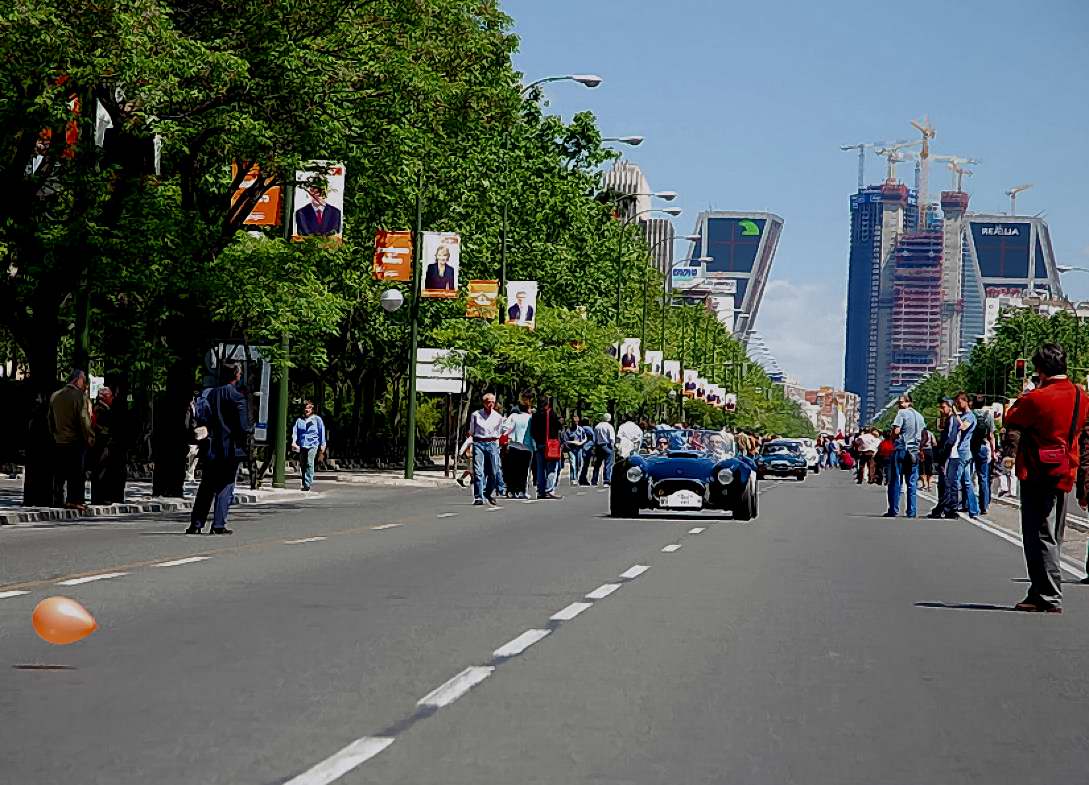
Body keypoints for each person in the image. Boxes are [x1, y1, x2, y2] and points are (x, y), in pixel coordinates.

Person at [1003, 344, 1089, 612]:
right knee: (1055, 533)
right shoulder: (1080, 396)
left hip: (1038, 469)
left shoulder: (1036, 398)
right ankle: (1039, 589)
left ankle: (1048, 594)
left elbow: (1012, 421)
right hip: (1066, 467)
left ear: (1039, 370)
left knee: (1038, 533)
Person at [187, 362, 251, 535]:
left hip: (211, 446)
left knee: (206, 485)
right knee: (226, 485)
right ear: (236, 375)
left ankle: (196, 523)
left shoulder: (210, 394)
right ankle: (218, 524)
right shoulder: (237, 397)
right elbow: (243, 426)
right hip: (230, 448)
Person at [48, 369, 94, 511]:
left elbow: (50, 420)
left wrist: (55, 435)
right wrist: (90, 436)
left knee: (59, 473)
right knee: (76, 473)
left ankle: (57, 499)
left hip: (59, 440)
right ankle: (74, 500)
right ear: (78, 380)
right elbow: (83, 419)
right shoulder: (79, 396)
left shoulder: (55, 396)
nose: (85, 384)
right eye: (84, 380)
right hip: (75, 441)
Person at [885, 392, 924, 518]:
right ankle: (911, 511)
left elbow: (896, 430)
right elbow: (923, 433)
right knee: (912, 482)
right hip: (914, 451)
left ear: (909, 402)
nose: (899, 405)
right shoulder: (920, 416)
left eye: (901, 402)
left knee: (896, 480)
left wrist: (893, 438)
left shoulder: (902, 413)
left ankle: (894, 509)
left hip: (902, 449)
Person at [945, 392, 979, 519]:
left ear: (966, 401)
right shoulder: (963, 415)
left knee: (956, 479)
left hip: (963, 451)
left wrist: (955, 414)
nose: (958, 405)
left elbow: (963, 427)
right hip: (962, 450)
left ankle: (954, 506)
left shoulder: (970, 416)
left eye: (959, 402)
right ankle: (973, 509)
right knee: (967, 481)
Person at [90, 386, 125, 504]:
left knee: (103, 470)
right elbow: (98, 426)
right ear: (104, 397)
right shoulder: (100, 409)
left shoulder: (104, 408)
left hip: (104, 444)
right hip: (101, 444)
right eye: (110, 396)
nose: (112, 398)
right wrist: (107, 434)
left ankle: (103, 496)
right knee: (100, 470)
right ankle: (99, 497)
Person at [469, 392, 503, 505]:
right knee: (478, 471)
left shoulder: (498, 417)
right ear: (484, 403)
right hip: (479, 443)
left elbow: (499, 433)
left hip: (492, 443)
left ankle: (488, 492)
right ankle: (478, 497)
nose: (491, 404)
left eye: (493, 402)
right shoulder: (476, 415)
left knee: (494, 471)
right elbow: (471, 432)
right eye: (488, 402)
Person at [927, 398, 956, 518]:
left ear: (950, 407)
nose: (941, 410)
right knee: (943, 483)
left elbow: (951, 439)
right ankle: (944, 508)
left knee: (946, 483)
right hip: (946, 455)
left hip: (950, 455)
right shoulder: (947, 420)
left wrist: (943, 454)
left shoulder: (953, 420)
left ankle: (947, 508)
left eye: (943, 407)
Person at [530, 397, 563, 499]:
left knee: (540, 468)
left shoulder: (535, 415)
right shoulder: (551, 414)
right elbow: (558, 426)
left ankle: (540, 491)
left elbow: (532, 431)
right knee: (552, 469)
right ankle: (549, 490)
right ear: (547, 404)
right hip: (551, 444)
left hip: (539, 444)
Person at [291, 400, 327, 492]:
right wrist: (294, 442)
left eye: (309, 408)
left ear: (312, 409)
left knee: (309, 462)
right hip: (302, 444)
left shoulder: (317, 419)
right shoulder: (299, 420)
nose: (307, 410)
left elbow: (321, 432)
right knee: (302, 464)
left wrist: (323, 445)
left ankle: (307, 483)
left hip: (313, 444)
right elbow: (295, 432)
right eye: (306, 408)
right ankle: (304, 482)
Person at [500, 402, 533, 499]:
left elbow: (505, 427)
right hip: (526, 447)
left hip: (514, 445)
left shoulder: (514, 416)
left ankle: (511, 491)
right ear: (528, 408)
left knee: (513, 470)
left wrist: (508, 436)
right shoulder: (530, 418)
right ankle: (522, 491)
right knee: (524, 471)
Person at [971, 396, 995, 514]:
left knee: (968, 476)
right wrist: (993, 451)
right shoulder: (988, 415)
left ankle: (968, 503)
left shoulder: (970, 414)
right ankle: (984, 506)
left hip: (970, 447)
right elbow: (991, 435)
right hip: (983, 446)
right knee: (983, 477)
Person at [591, 413, 616, 486]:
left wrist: (595, 447)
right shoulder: (609, 427)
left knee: (597, 464)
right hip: (607, 446)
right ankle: (606, 481)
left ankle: (594, 481)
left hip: (599, 446)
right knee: (608, 464)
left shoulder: (597, 426)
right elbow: (612, 438)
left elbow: (594, 438)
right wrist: (612, 447)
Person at [562, 416, 587, 486]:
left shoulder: (581, 429)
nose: (576, 423)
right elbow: (565, 441)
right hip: (571, 449)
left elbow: (584, 438)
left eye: (577, 421)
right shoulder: (568, 430)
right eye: (574, 422)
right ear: (572, 422)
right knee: (572, 464)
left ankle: (577, 477)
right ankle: (573, 479)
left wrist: (581, 443)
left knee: (579, 464)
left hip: (579, 449)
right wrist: (572, 443)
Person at [577, 416, 596, 485]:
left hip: (582, 448)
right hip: (587, 448)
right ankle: (582, 479)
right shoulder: (587, 428)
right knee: (586, 465)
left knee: (584, 465)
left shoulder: (580, 428)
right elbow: (594, 437)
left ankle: (582, 478)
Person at [918, 426, 934, 492]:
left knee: (921, 468)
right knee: (929, 467)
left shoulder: (918, 433)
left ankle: (924, 484)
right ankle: (929, 485)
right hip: (929, 451)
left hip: (921, 451)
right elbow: (935, 442)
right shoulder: (930, 433)